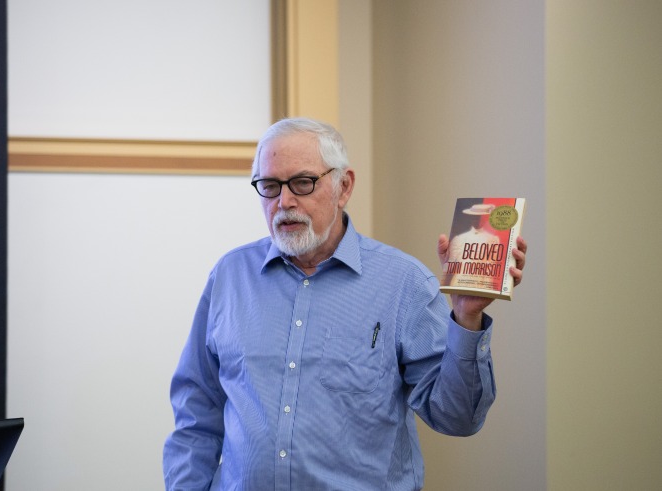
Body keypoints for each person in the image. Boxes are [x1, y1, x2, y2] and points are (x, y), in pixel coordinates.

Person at [163, 117, 527, 490]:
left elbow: (458, 418)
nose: (284, 202)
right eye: (270, 186)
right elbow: (196, 415)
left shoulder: (404, 283)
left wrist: (466, 317)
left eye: (303, 183)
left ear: (344, 186)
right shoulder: (229, 277)